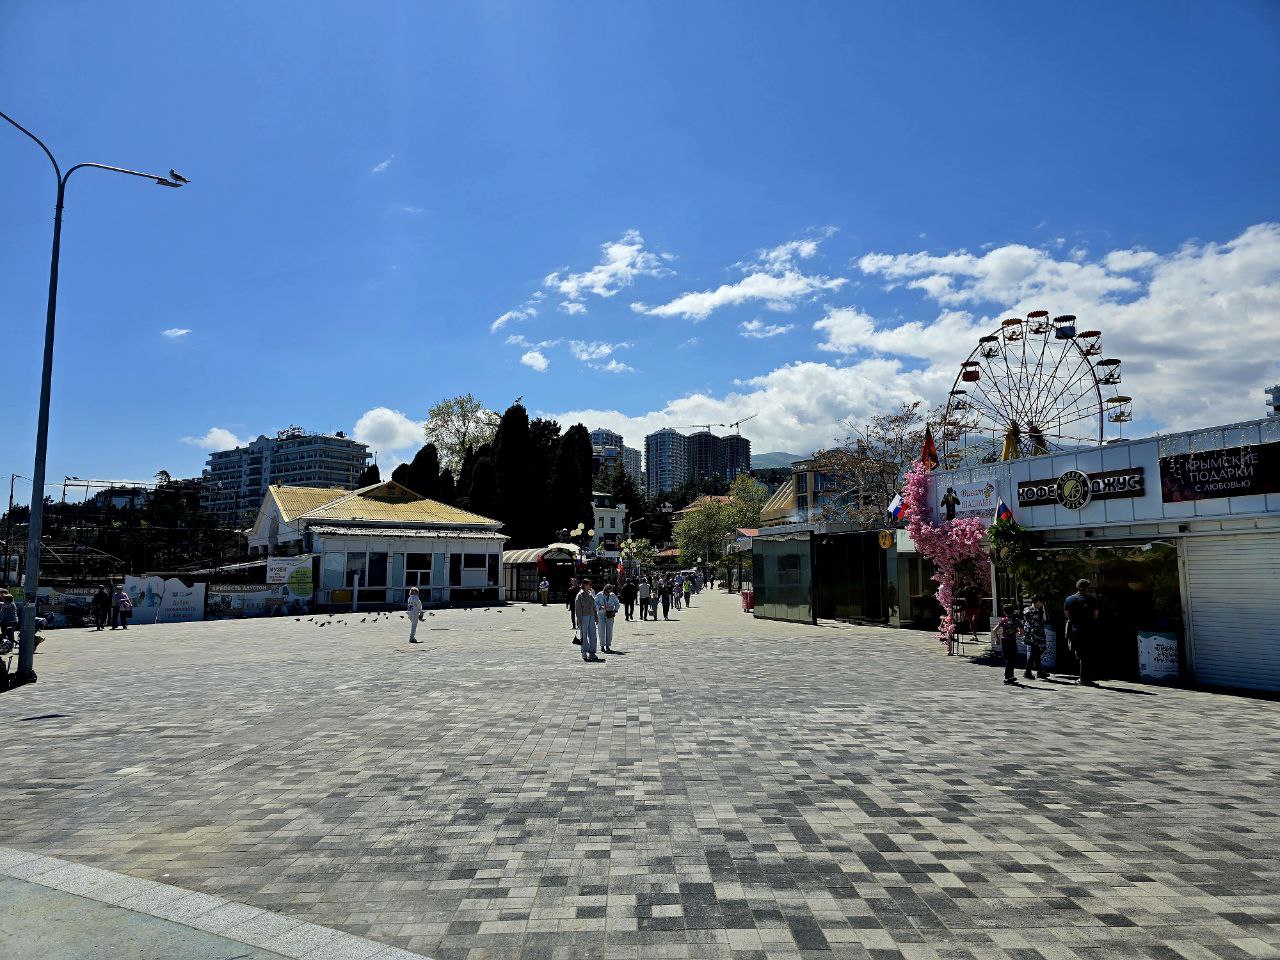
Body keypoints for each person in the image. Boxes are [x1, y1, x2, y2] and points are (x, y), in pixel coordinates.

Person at [1064, 579, 1100, 685]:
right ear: (1087, 588)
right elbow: (1096, 615)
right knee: (1087, 654)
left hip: (1075, 630)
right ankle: (1084, 678)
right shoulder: (1092, 600)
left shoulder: (1069, 600)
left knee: (1080, 654)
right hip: (1088, 629)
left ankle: (1083, 677)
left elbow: (1067, 615)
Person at [1022, 595, 1050, 679]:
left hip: (1030, 635)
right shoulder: (1036, 612)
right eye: (1042, 603)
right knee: (1034, 653)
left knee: (1036, 653)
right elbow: (1043, 621)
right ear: (1038, 602)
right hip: (1036, 635)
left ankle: (1040, 671)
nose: (1042, 605)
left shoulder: (1027, 610)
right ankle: (1027, 671)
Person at [575, 580, 601, 662]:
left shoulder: (590, 594)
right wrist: (579, 620)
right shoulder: (580, 595)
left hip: (592, 616)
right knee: (584, 635)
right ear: (585, 585)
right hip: (584, 617)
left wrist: (596, 617)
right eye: (589, 584)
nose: (591, 586)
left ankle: (592, 652)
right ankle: (584, 652)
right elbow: (578, 609)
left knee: (593, 635)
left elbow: (594, 607)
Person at [996, 603, 1020, 684]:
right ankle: (1008, 676)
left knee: (1008, 658)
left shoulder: (1003, 620)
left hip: (1004, 640)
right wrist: (1019, 632)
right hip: (1011, 640)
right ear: (1013, 611)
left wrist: (997, 639)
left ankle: (1010, 675)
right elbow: (1022, 632)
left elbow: (994, 630)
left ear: (1004, 612)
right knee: (1013, 657)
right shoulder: (1016, 620)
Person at [596, 582, 621, 652]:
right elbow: (595, 603)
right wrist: (600, 607)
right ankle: (602, 645)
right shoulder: (599, 595)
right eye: (607, 591)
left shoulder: (612, 595)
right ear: (605, 590)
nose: (608, 593)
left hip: (610, 614)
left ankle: (608, 646)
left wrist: (615, 611)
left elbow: (617, 603)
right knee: (601, 630)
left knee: (609, 630)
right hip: (601, 614)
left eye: (610, 591)